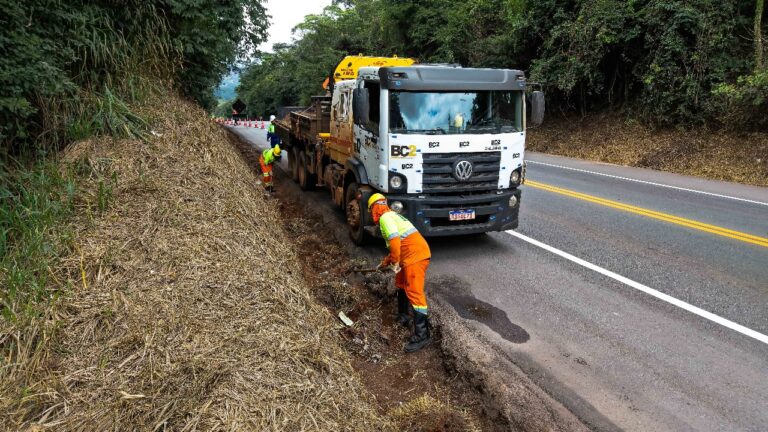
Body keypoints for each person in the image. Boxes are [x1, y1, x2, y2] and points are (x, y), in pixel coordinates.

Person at [368, 193, 432, 353]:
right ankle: (403, 316)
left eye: (371, 210)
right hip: (409, 256)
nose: (372, 214)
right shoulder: (392, 216)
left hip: (415, 256)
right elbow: (396, 245)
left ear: (374, 208)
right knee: (401, 283)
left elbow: (396, 242)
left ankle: (422, 335)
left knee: (415, 293)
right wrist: (387, 261)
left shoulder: (385, 218)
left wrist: (395, 261)